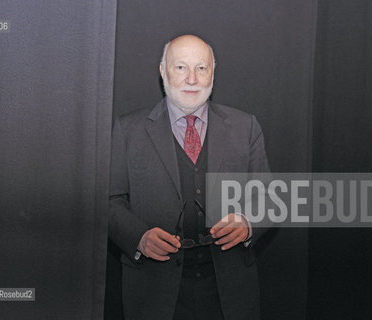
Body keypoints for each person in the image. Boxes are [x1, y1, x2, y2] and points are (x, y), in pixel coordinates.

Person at [109, 34, 270, 320]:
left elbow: (268, 198)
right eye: (181, 67)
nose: (192, 79)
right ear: (162, 71)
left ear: (213, 72)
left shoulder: (246, 127)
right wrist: (139, 237)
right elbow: (110, 201)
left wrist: (248, 223)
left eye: (201, 68)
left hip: (230, 294)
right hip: (153, 293)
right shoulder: (127, 130)